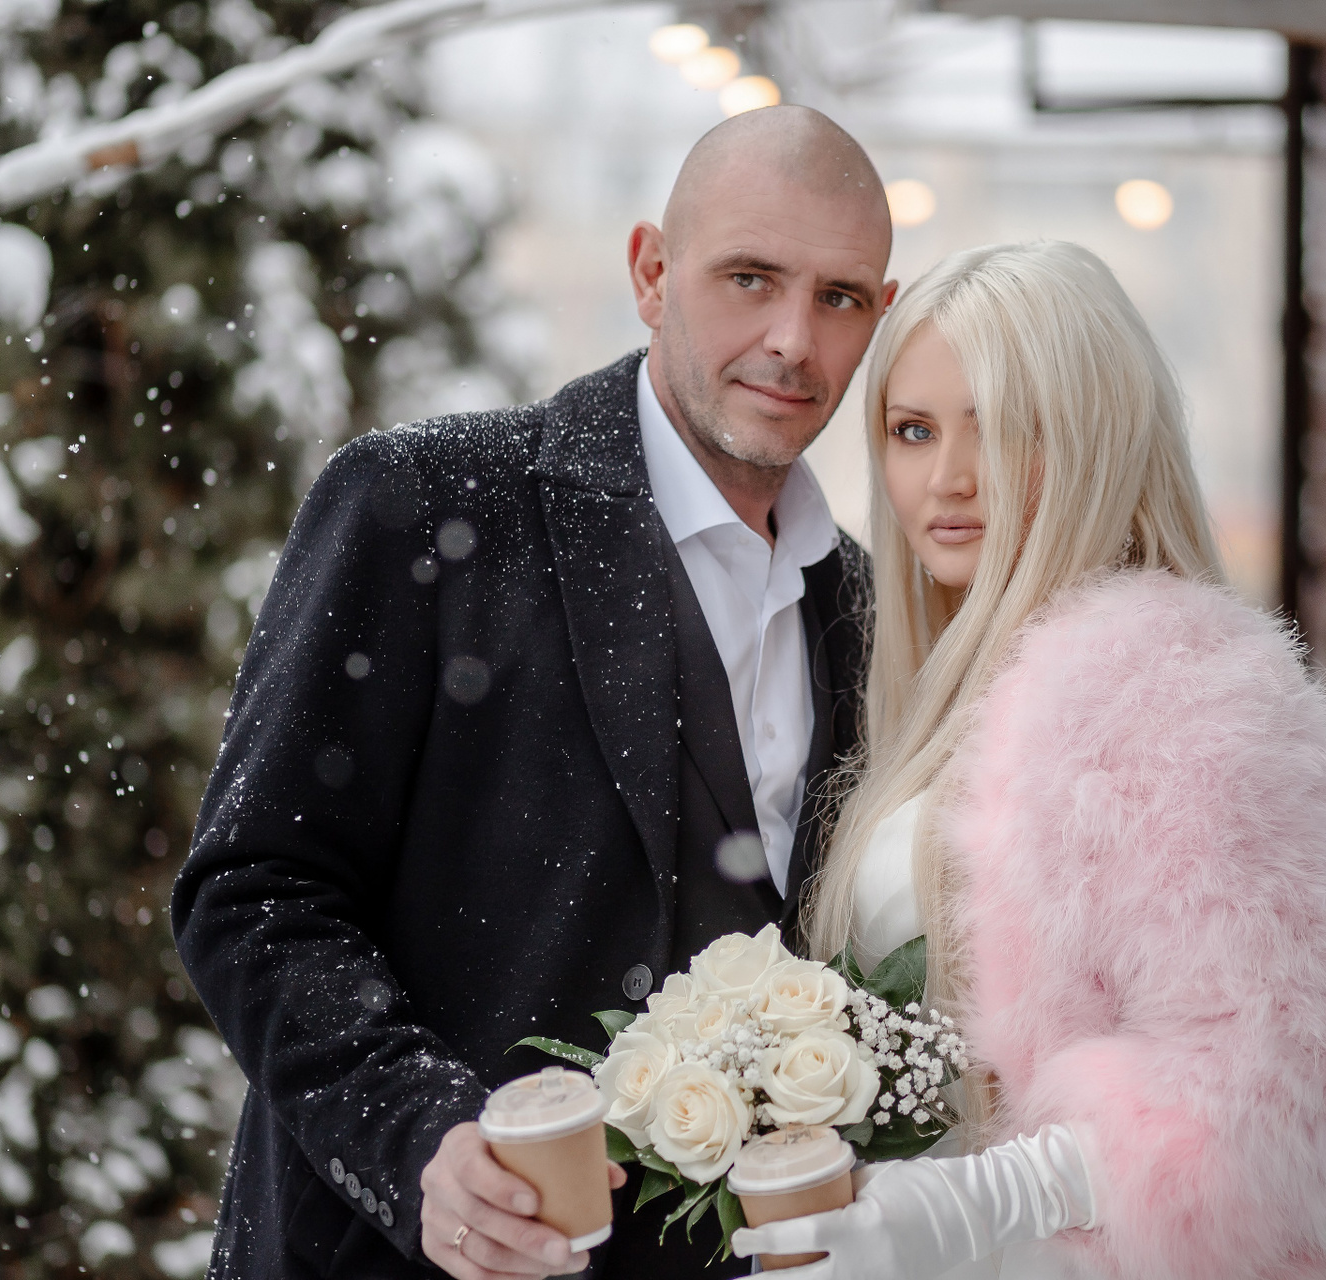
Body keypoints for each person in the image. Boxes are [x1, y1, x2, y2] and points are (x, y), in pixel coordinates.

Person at [171, 105, 895, 1280]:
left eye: (841, 297)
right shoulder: (422, 503)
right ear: (651, 271)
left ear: (881, 311)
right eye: (750, 278)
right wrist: (424, 1140)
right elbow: (253, 892)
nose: (792, 340)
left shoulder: (863, 610)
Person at [730, 240, 1326, 1279]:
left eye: (1007, 428)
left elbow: (1301, 1086)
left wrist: (980, 1202)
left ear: (1098, 437)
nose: (948, 478)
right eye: (914, 431)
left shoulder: (1173, 682)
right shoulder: (948, 688)